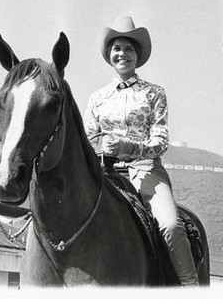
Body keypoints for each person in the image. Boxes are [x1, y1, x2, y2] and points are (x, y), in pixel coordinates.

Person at [83, 16, 199, 286]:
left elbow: (160, 142)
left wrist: (125, 147)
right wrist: (101, 150)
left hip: (146, 171)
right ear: (110, 55)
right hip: (103, 174)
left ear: (137, 56)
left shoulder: (154, 93)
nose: (122, 54)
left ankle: (190, 288)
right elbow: (88, 139)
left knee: (171, 226)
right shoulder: (97, 98)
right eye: (117, 49)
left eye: (129, 49)